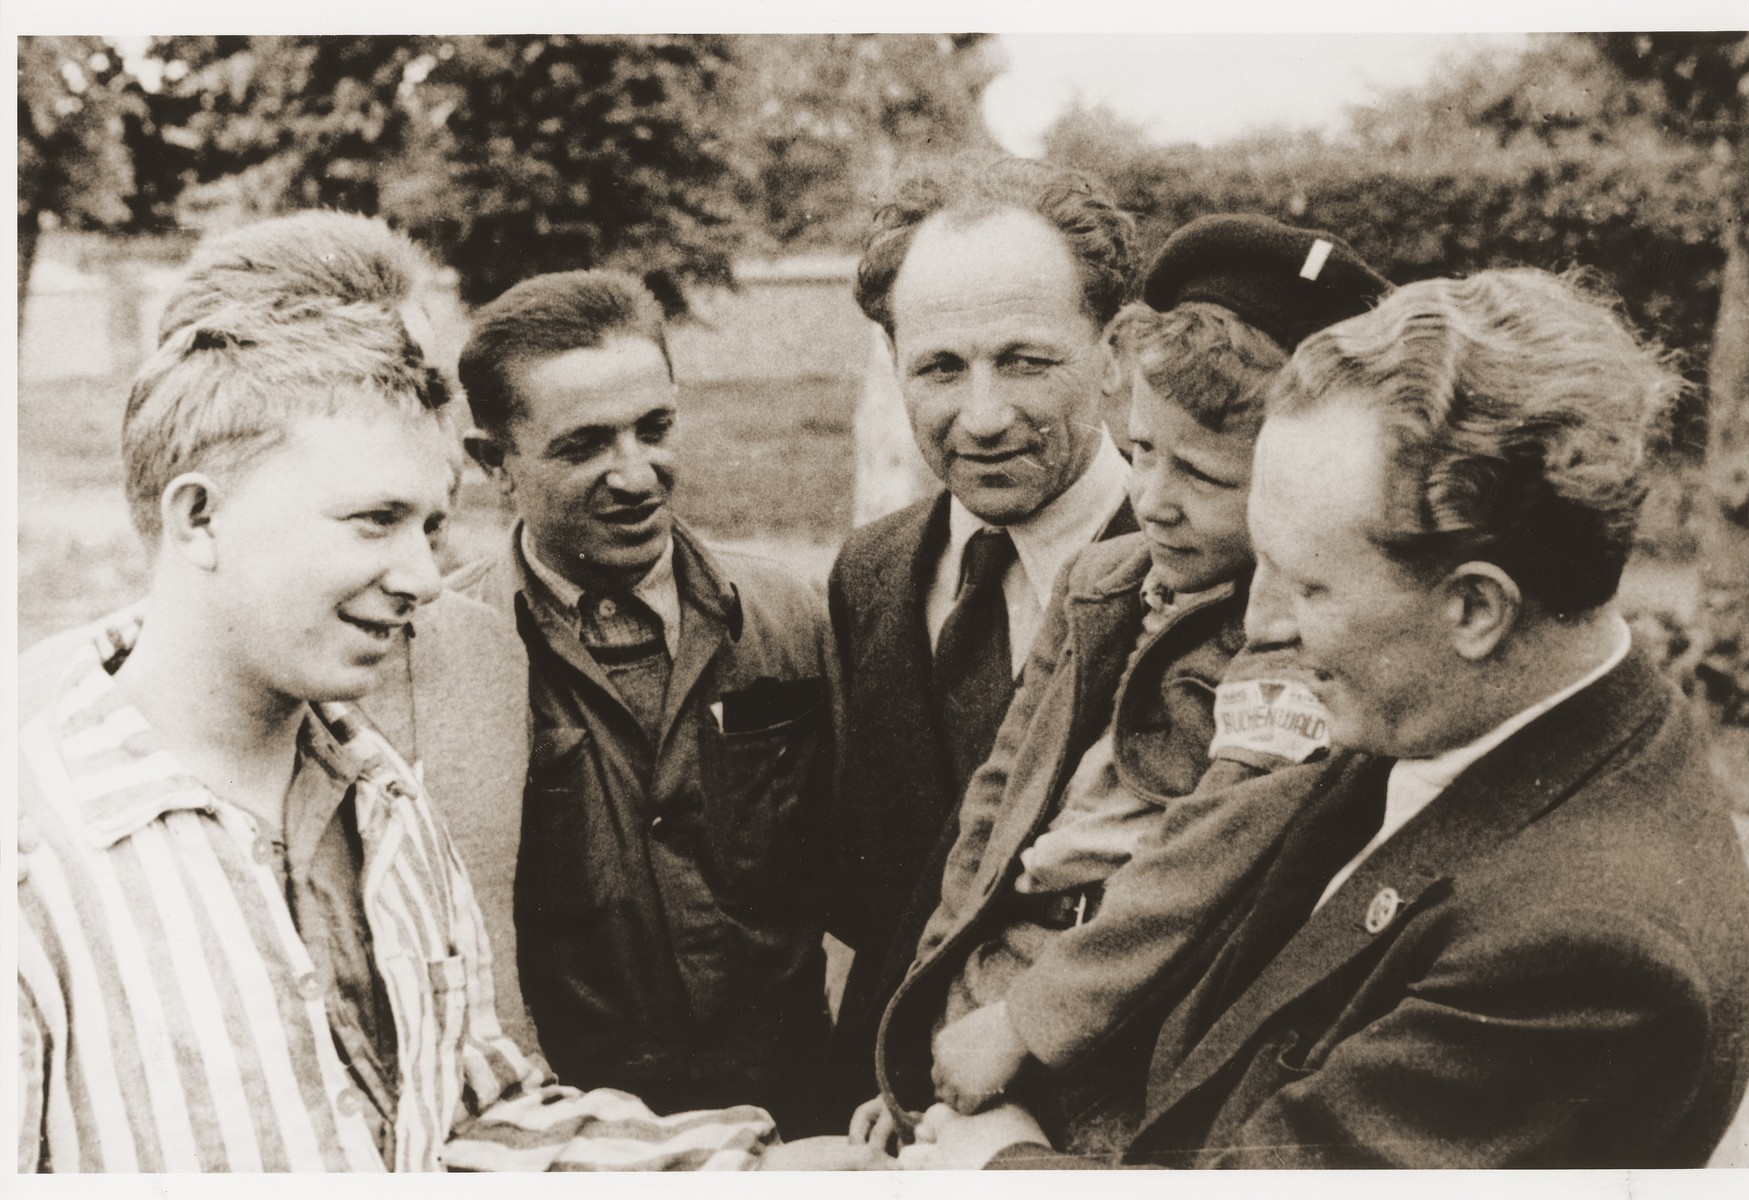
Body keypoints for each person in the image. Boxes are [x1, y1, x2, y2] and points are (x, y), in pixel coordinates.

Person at [900, 268, 1749, 1169]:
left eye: (1308, 584)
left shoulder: (1585, 953)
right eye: (1261, 565)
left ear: (1476, 609)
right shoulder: (1436, 716)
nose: (1264, 624)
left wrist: (997, 1164)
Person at [16, 285, 874, 1170]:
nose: (426, 579)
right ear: (199, 518)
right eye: (375, 521)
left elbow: (473, 1118)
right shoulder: (32, 855)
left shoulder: (385, 797)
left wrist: (762, 1168)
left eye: (430, 526)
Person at [859, 215, 1389, 1155]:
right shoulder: (1103, 579)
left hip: (1119, 1020)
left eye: (1206, 475)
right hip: (994, 984)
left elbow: (1210, 856)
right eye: (1141, 452)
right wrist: (918, 1041)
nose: (1153, 500)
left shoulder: (1289, 634)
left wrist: (1025, 1023)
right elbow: (995, 810)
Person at [16, 212, 542, 1057]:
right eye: (385, 376)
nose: (430, 421)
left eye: (421, 379)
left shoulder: (446, 698)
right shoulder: (48, 751)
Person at [452, 270, 836, 1135]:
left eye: (654, 429)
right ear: (494, 465)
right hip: (577, 1143)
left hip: (801, 1123)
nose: (636, 475)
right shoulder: (444, 655)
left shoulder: (790, 617)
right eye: (584, 445)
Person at [827, 152, 1141, 1104]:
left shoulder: (1205, 580)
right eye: (940, 368)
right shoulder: (872, 573)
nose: (983, 415)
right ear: (894, 366)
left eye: (1025, 360)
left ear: (1116, 351)